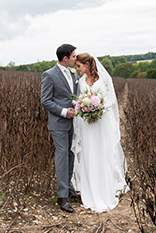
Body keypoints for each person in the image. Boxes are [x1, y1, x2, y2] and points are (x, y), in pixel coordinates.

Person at [71, 53, 129, 212]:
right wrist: (83, 107)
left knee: (102, 152)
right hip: (87, 123)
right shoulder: (81, 81)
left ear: (87, 65)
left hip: (101, 120)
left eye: (79, 66)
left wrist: (98, 108)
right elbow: (81, 97)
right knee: (89, 153)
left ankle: (104, 189)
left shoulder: (104, 78)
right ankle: (90, 189)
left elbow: (111, 100)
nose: (77, 69)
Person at [40, 44, 81, 213]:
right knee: (62, 155)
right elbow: (45, 100)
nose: (75, 59)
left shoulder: (74, 73)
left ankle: (69, 188)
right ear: (65, 58)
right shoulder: (49, 75)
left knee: (71, 154)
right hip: (58, 123)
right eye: (73, 56)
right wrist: (64, 112)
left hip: (74, 123)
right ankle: (62, 196)